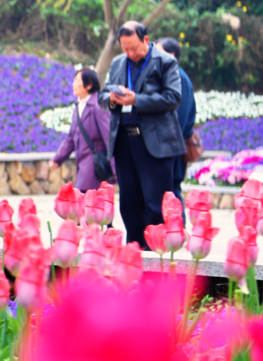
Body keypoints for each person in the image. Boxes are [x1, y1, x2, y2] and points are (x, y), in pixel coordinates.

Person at [98, 21, 184, 250]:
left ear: (146, 40)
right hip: (125, 141)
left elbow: (173, 98)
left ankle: (156, 253)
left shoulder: (165, 62)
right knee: (128, 203)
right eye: (125, 49)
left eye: (134, 48)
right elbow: (102, 97)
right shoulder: (118, 63)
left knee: (155, 204)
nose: (130, 53)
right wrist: (113, 99)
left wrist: (136, 99)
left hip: (154, 145)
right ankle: (134, 253)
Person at [49, 68, 113, 192]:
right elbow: (70, 139)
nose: (74, 84)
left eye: (77, 80)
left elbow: (109, 138)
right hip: (84, 169)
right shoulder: (79, 106)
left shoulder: (97, 106)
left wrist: (116, 169)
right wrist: (58, 159)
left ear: (89, 85)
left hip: (95, 169)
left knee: (91, 206)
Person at [157, 37, 197, 202]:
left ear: (171, 55)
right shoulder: (171, 76)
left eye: (159, 52)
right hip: (170, 146)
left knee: (172, 193)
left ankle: (178, 228)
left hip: (173, 148)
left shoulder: (178, 78)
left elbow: (178, 120)